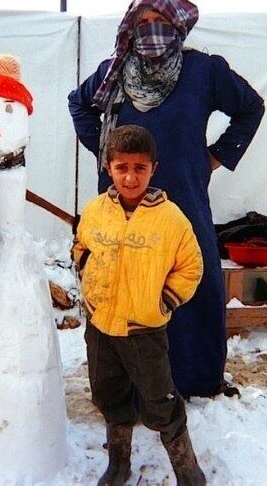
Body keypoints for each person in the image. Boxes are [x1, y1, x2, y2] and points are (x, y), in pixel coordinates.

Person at [68, 0, 265, 399]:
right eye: (142, 23)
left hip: (183, 196)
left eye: (160, 22)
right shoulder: (114, 72)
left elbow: (251, 107)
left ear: (177, 26)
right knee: (126, 280)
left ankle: (194, 379)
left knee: (193, 278)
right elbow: (79, 104)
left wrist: (216, 156)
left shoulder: (203, 71)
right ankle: (127, 382)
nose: (151, 30)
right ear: (130, 28)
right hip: (123, 202)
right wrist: (107, 153)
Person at [73, 125, 206, 486]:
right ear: (109, 168)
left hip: (144, 330)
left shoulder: (171, 220)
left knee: (160, 401)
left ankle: (188, 471)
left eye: (139, 168)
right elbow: (81, 245)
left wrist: (164, 301)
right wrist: (87, 273)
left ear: (153, 169)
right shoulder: (96, 211)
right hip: (101, 326)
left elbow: (191, 266)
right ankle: (119, 465)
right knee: (107, 393)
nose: (130, 177)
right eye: (122, 168)